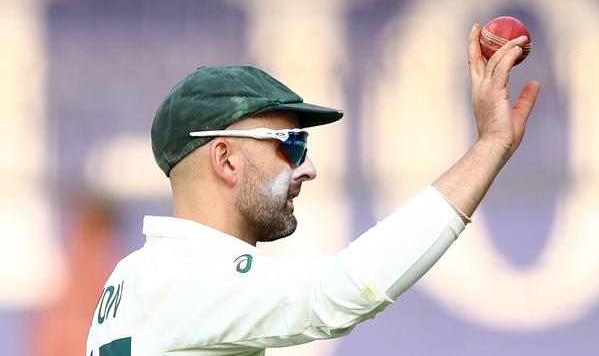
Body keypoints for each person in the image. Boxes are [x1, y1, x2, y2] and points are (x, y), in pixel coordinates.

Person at [86, 25, 540, 356]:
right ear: (224, 158)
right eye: (292, 145)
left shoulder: (132, 274)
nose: (309, 169)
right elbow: (340, 293)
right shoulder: (191, 275)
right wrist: (489, 147)